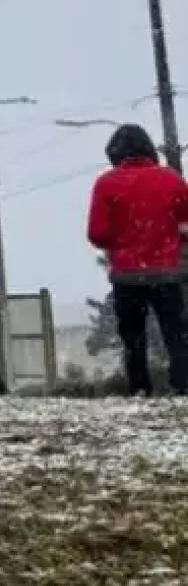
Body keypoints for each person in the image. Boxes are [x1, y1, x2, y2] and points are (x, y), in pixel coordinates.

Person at [86, 123, 188, 395]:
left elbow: (97, 233)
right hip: (167, 272)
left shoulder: (106, 183)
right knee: (176, 334)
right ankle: (183, 385)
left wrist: (120, 241)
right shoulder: (172, 180)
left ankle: (140, 388)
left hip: (127, 274)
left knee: (133, 337)